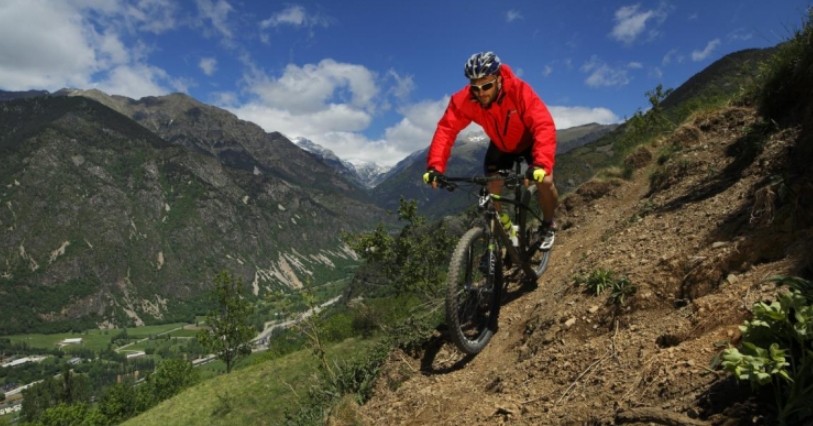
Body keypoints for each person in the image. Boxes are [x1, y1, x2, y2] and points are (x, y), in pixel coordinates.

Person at [423, 51, 559, 250]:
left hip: (529, 141)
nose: (481, 93)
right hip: (501, 145)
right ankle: (506, 229)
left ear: (498, 79)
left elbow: (543, 124)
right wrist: (435, 167)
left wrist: (540, 163)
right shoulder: (466, 100)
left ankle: (548, 224)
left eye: (486, 86)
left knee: (545, 181)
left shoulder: (519, 90)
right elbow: (446, 129)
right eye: (475, 87)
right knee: (492, 185)